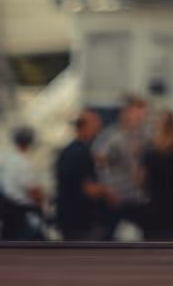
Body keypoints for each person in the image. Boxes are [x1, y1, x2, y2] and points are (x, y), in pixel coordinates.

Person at [94, 96, 150, 236]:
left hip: (137, 196)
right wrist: (108, 190)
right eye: (137, 113)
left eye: (142, 114)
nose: (140, 118)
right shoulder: (112, 135)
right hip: (117, 196)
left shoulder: (143, 135)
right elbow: (99, 163)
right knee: (108, 236)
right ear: (126, 113)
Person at [55, 110, 113, 241]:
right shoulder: (82, 153)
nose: (99, 127)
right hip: (81, 222)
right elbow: (89, 189)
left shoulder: (70, 151)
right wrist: (109, 192)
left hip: (70, 219)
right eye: (96, 123)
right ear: (86, 126)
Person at [140, 111, 173, 241]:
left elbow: (141, 179)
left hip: (153, 200)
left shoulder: (149, 151)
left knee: (151, 243)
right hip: (172, 204)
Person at [0, 126, 47, 240]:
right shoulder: (23, 163)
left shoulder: (6, 158)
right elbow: (33, 191)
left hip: (7, 210)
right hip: (22, 213)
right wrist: (43, 202)